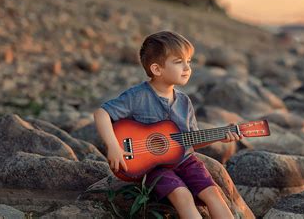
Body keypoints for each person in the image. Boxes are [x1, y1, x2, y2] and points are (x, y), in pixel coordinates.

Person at [93, 31, 242, 219]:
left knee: (213, 194)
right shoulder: (137, 96)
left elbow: (192, 140)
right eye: (179, 62)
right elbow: (101, 113)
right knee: (183, 195)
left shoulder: (184, 102)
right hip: (154, 167)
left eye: (189, 61)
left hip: (186, 161)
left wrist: (221, 135)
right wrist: (113, 146)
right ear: (157, 69)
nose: (187, 68)